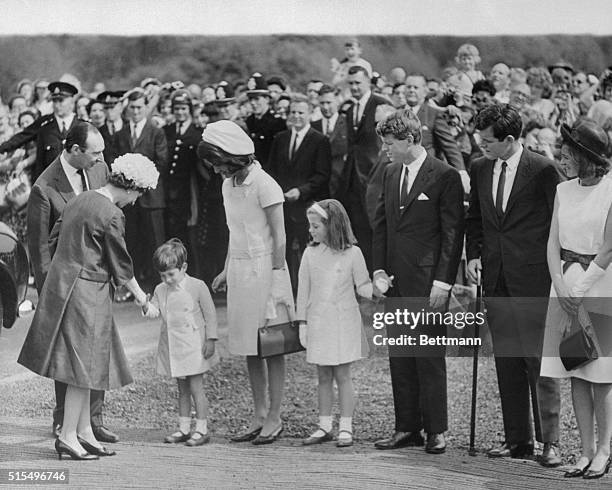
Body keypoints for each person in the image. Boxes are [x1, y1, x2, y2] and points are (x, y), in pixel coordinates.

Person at [17, 152, 158, 460]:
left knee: (79, 365)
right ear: (132, 187)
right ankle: (69, 435)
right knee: (84, 369)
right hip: (88, 292)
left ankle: (84, 431)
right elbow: (121, 264)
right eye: (139, 194)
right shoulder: (112, 214)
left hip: (64, 284)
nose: (135, 201)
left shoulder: (81, 199)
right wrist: (143, 299)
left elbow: (54, 237)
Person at [466, 104, 562, 466]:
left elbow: (558, 224)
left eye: (488, 140)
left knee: (539, 361)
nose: (481, 146)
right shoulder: (479, 167)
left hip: (534, 278)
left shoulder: (542, 169)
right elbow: (474, 217)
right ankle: (517, 439)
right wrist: (474, 254)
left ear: (509, 140)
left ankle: (549, 441)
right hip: (495, 277)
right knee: (506, 360)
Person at [372, 108, 464, 455]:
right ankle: (406, 427)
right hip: (395, 279)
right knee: (400, 355)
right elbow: (381, 224)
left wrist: (443, 283)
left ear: (410, 140)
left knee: (428, 356)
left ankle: (436, 429)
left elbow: (453, 234)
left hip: (428, 282)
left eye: (390, 142)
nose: (386, 149)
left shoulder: (444, 175)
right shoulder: (390, 172)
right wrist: (378, 269)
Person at [200, 120, 293, 445]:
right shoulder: (228, 185)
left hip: (268, 270)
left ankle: (274, 417)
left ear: (233, 157)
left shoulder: (265, 184)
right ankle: (258, 415)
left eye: (218, 163)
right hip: (240, 271)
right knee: (249, 348)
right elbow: (234, 232)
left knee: (272, 347)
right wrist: (227, 268)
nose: (215, 170)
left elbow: (279, 236)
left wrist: (279, 277)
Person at [26, 122, 119, 443]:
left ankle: (93, 421)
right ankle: (63, 421)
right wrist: (50, 292)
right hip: (65, 285)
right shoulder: (44, 187)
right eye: (95, 152)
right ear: (75, 150)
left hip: (95, 279)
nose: (102, 158)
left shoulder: (99, 170)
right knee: (67, 353)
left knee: (97, 347)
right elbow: (38, 247)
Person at [541, 119, 612, 480]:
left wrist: (580, 290)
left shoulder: (611, 191)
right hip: (565, 287)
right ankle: (584, 451)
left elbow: (609, 247)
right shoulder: (563, 190)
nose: (561, 157)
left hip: (600, 288)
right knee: (577, 371)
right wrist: (559, 283)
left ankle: (604, 450)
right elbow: (553, 243)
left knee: (601, 374)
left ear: (587, 156)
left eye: (568, 152)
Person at [297, 199, 372, 448]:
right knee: (323, 375)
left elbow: (363, 287)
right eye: (310, 226)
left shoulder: (353, 253)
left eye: (315, 226)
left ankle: (346, 426)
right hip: (318, 321)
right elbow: (303, 291)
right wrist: (302, 323)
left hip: (343, 322)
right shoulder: (310, 254)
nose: (311, 230)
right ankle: (325, 425)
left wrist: (379, 286)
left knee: (343, 374)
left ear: (332, 226)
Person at [142, 238, 219, 447]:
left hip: (194, 345)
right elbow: (155, 311)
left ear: (183, 267)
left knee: (196, 388)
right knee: (182, 388)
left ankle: (201, 429)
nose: (167, 279)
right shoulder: (160, 289)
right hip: (174, 346)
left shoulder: (197, 286)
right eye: (163, 275)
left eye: (171, 274)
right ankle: (184, 428)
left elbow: (210, 315)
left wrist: (211, 339)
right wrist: (146, 305)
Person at [267, 93, 331, 292]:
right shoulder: (280, 138)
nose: (296, 116)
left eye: (301, 113)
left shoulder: (320, 140)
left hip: (307, 206)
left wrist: (301, 192)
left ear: (310, 114)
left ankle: (310, 291)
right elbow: (271, 170)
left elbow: (322, 176)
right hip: (283, 207)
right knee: (282, 251)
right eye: (293, 112)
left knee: (308, 251)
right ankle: (287, 292)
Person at [116, 88, 168, 292]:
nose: (136, 112)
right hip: (129, 198)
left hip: (151, 196)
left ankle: (162, 285)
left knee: (156, 241)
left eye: (139, 107)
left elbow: (162, 161)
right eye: (132, 108)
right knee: (132, 241)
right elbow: (117, 161)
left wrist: (142, 180)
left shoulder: (156, 131)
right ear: (127, 109)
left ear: (146, 108)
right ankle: (134, 287)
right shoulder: (121, 134)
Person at [344, 65, 388, 269]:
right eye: (350, 83)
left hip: (375, 177)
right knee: (360, 231)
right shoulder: (350, 109)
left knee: (376, 231)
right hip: (354, 179)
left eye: (357, 83)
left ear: (368, 81)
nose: (354, 87)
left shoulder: (381, 104)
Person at [0, 81, 78, 182]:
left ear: (72, 102)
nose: (57, 105)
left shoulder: (82, 125)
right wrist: (2, 148)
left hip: (74, 183)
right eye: (54, 101)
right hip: (49, 183)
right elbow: (22, 137)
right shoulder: (44, 124)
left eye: (61, 100)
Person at [311, 84, 348, 199]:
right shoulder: (313, 127)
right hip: (317, 187)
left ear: (337, 101)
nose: (325, 107)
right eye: (322, 103)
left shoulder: (347, 124)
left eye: (329, 103)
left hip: (341, 185)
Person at [245, 73, 286, 171]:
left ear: (267, 99)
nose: (253, 103)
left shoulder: (277, 123)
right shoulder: (249, 121)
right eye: (251, 99)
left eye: (257, 99)